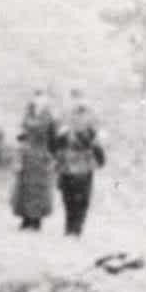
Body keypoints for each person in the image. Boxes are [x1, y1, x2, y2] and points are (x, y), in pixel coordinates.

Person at [52, 91, 106, 238]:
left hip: (84, 161)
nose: (77, 101)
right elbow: (55, 138)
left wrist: (99, 157)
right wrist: (60, 137)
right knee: (67, 195)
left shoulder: (92, 117)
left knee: (82, 197)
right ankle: (69, 228)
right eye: (74, 98)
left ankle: (76, 229)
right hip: (67, 160)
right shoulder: (65, 116)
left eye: (80, 98)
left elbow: (98, 140)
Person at [11, 91, 57, 231]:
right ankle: (25, 219)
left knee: (39, 189)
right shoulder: (28, 114)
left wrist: (52, 158)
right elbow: (21, 134)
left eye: (42, 98)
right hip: (27, 154)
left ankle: (36, 221)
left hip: (42, 155)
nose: (38, 101)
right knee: (25, 188)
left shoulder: (49, 117)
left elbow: (53, 139)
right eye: (36, 97)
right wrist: (20, 148)